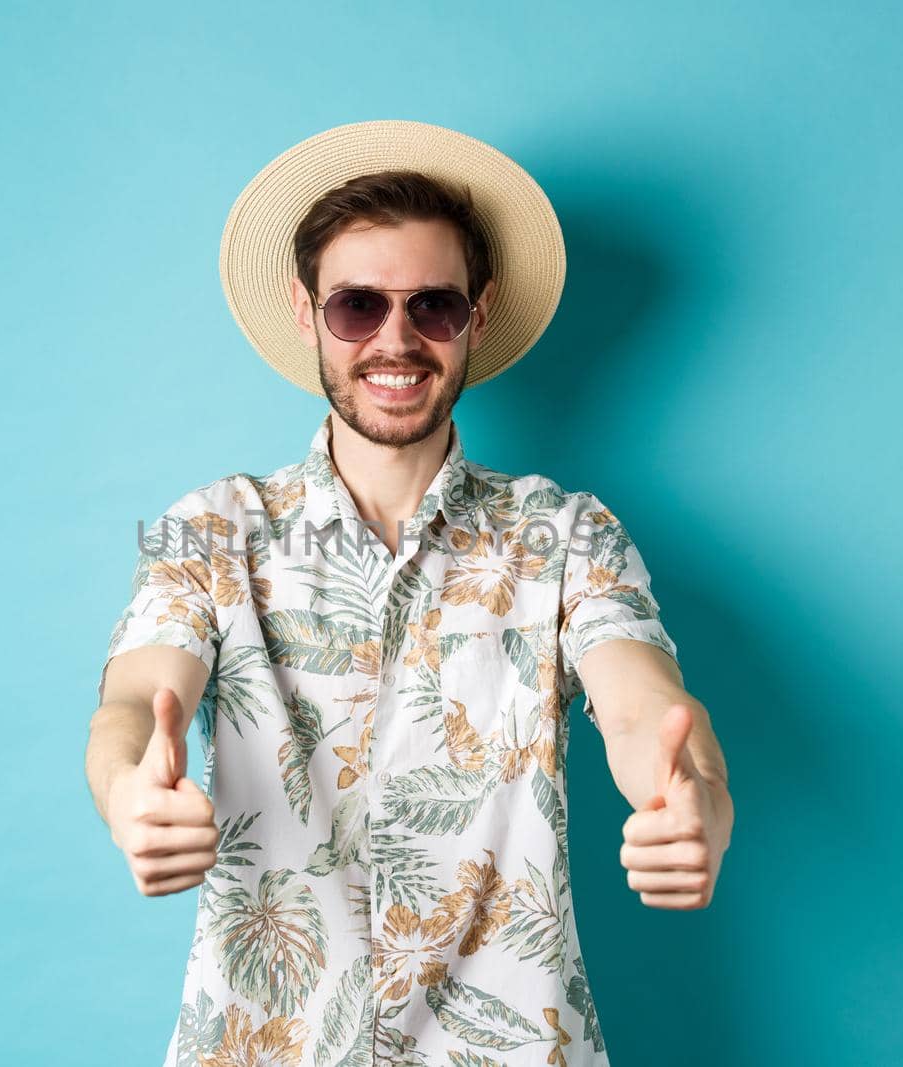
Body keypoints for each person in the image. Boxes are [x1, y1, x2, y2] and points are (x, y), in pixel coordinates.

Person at [86, 120, 734, 1066]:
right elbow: (135, 701)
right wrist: (127, 793)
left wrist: (696, 801)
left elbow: (648, 709)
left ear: (478, 312)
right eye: (358, 306)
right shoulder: (213, 529)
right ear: (307, 313)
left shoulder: (565, 535)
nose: (396, 339)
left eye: (432, 305)